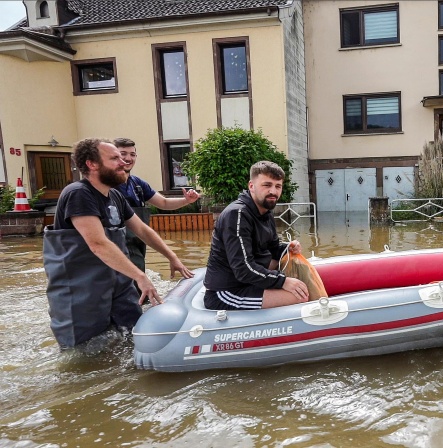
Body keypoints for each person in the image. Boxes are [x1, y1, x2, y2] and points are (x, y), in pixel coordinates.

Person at [43, 138, 194, 348]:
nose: (124, 162)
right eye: (115, 158)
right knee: (85, 355)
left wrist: (173, 257)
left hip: (118, 287)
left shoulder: (115, 195)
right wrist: (141, 276)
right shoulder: (78, 194)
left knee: (133, 338)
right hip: (81, 293)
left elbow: (142, 229)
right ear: (92, 164)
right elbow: (98, 244)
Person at [204, 160, 309, 310]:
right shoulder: (237, 215)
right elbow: (243, 269)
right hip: (227, 290)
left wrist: (288, 248)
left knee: (292, 267)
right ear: (251, 186)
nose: (273, 191)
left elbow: (273, 250)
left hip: (249, 281)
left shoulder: (265, 212)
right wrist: (283, 282)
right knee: (299, 296)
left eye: (278, 186)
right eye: (267, 185)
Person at [113, 138, 200, 273]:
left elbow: (163, 203)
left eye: (132, 154)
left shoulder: (137, 184)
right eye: (123, 153)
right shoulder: (105, 185)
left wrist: (186, 200)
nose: (128, 158)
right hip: (114, 251)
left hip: (137, 248)